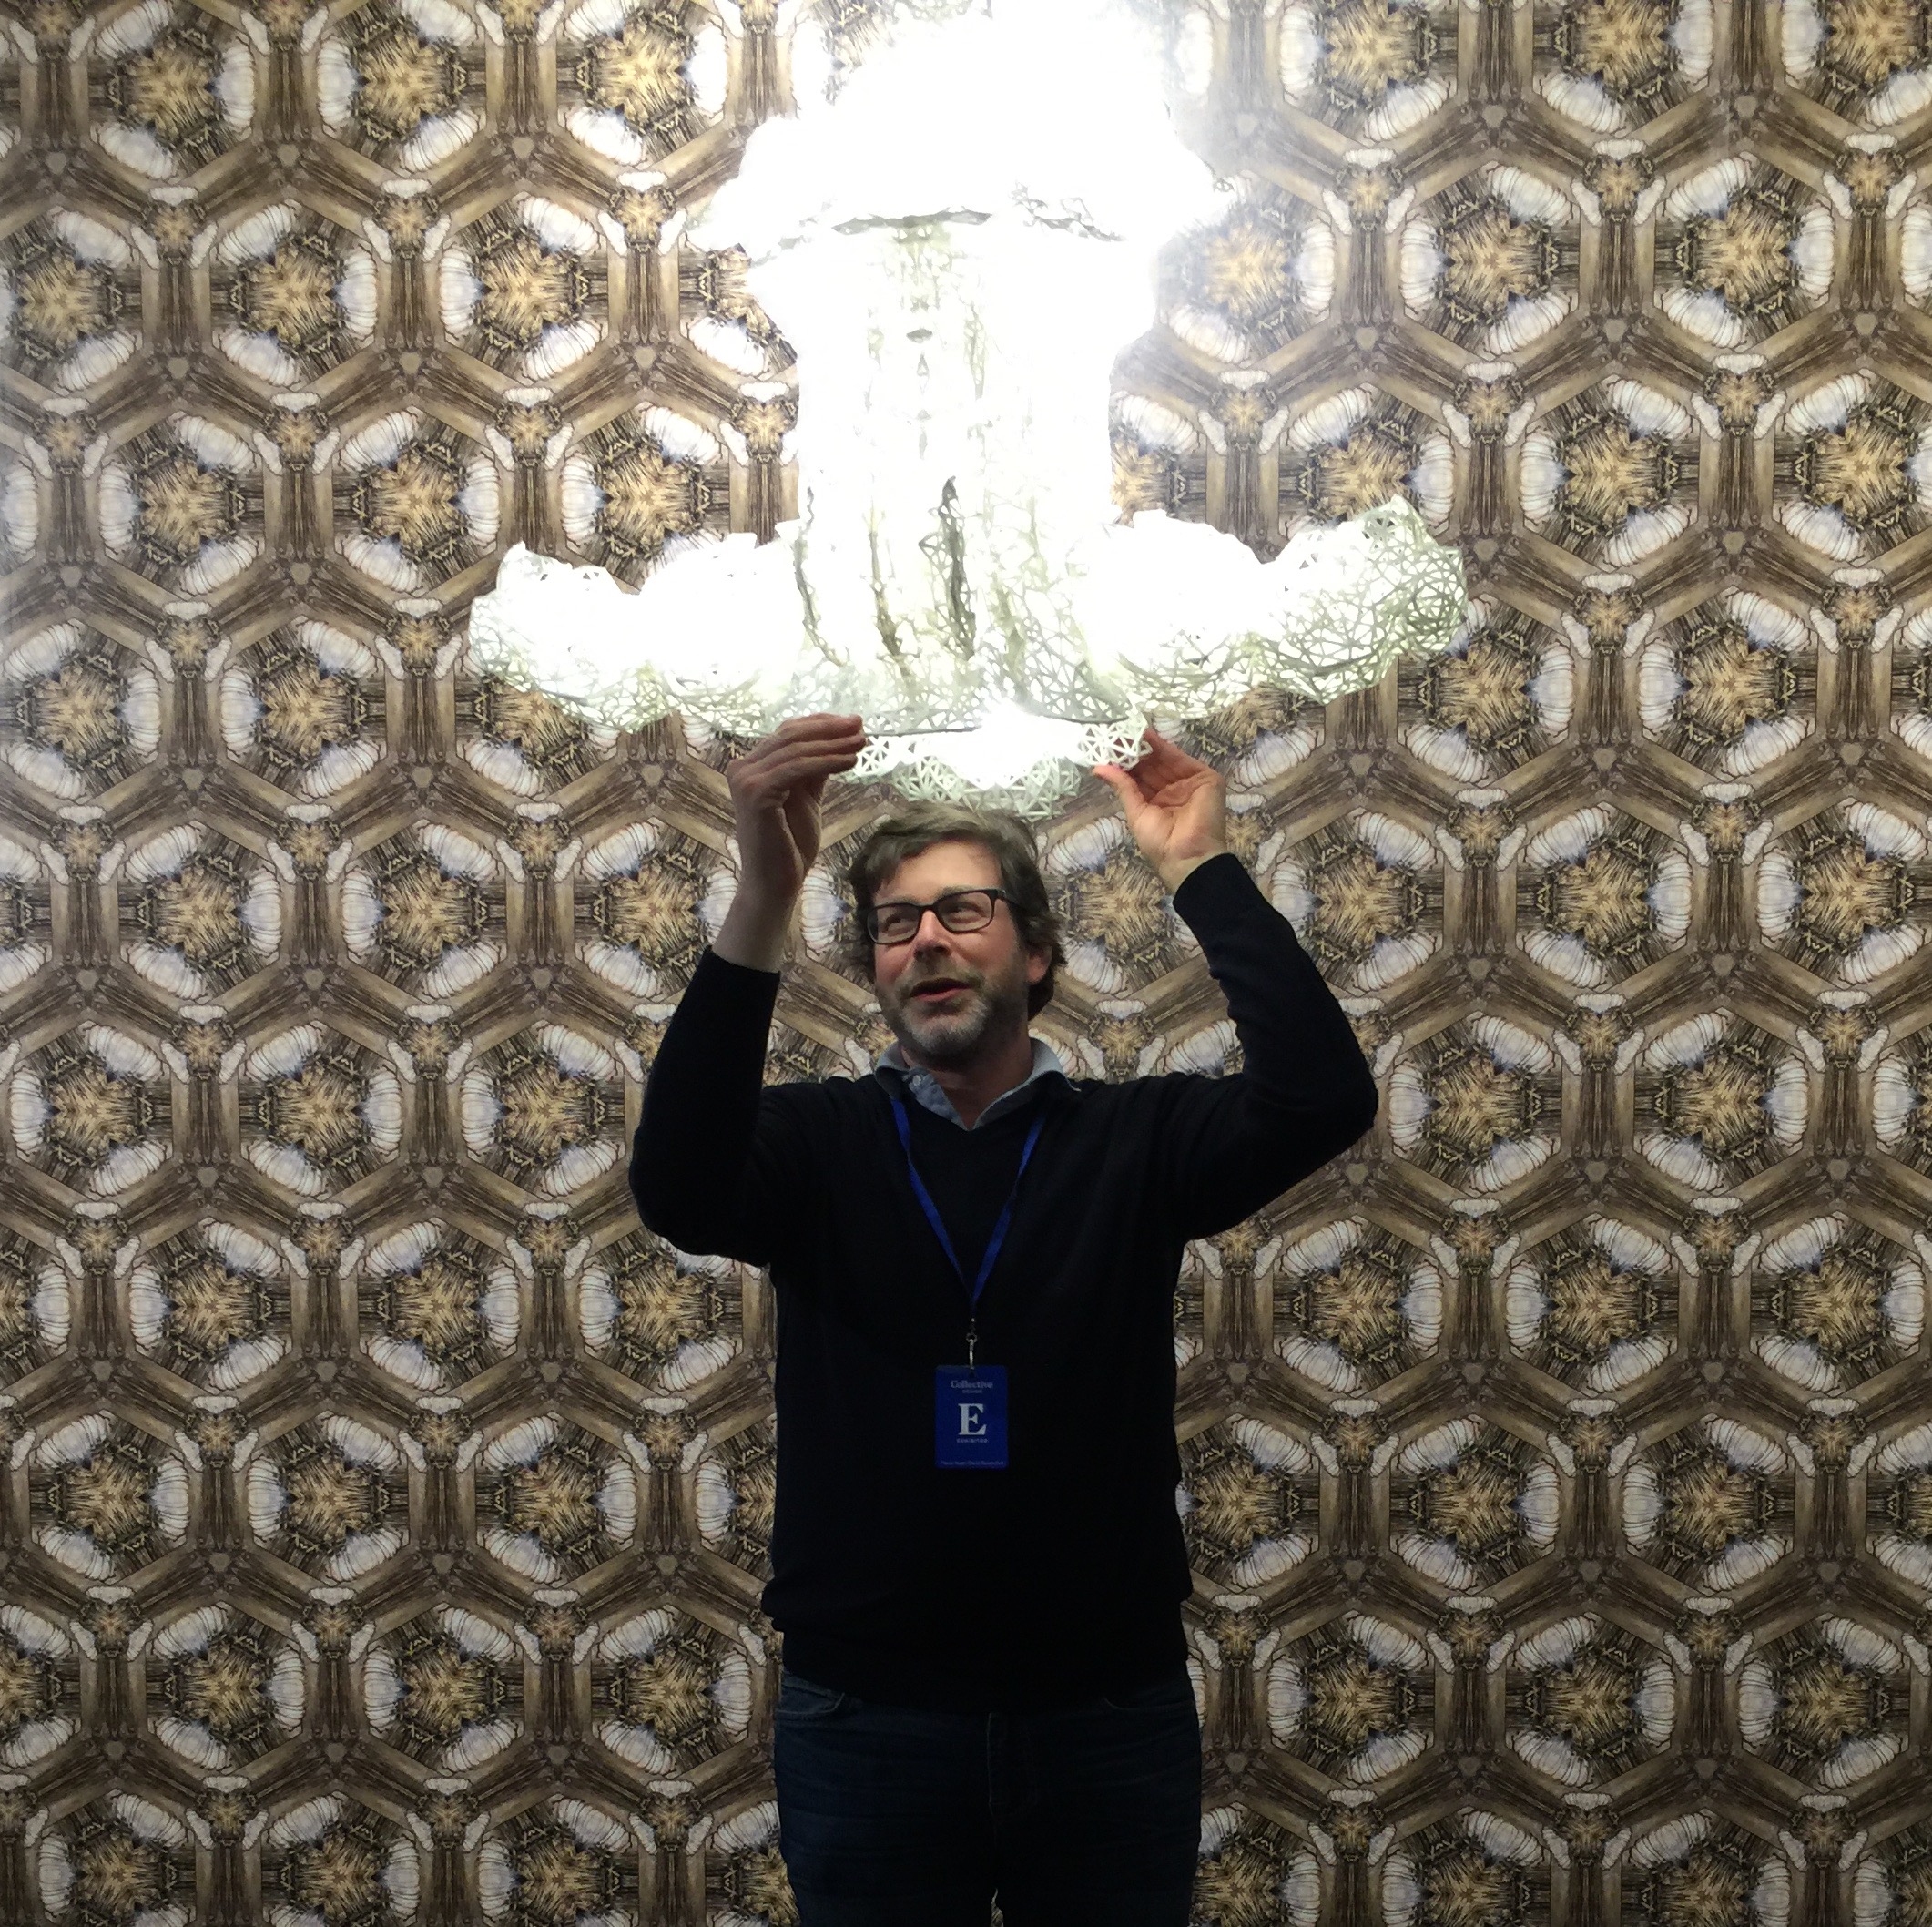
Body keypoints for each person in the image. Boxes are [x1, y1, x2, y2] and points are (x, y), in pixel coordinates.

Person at [631, 712, 1378, 1927]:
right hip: (866, 1719)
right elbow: (676, 1186)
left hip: (1103, 1715)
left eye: (962, 911)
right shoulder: (816, 1145)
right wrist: (764, 890)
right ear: (874, 968)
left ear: (1034, 954)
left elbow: (1319, 1098)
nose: (925, 940)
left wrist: (1198, 862)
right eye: (893, 924)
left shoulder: (1134, 1141)